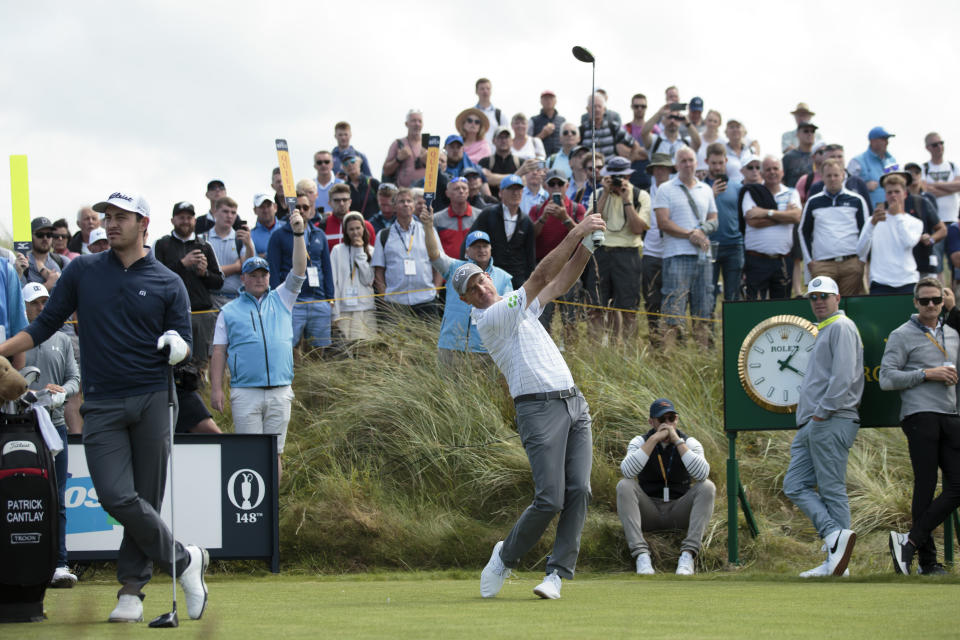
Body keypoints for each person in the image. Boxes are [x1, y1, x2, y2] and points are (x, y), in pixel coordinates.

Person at [0, 191, 208, 623]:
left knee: (146, 496)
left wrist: (177, 345)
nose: (111, 224)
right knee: (116, 495)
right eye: (107, 216)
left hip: (153, 398)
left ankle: (131, 591)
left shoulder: (169, 281)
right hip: (101, 401)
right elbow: (44, 324)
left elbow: (184, 341)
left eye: (121, 217)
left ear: (144, 223)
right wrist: (2, 350)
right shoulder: (82, 270)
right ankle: (185, 560)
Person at [469, 211, 607, 601]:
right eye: (472, 288)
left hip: (573, 403)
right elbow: (542, 276)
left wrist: (587, 247)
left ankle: (557, 575)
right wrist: (577, 231)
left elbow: (561, 282)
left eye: (481, 279)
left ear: (489, 279)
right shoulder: (491, 318)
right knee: (550, 498)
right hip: (537, 410)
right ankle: (505, 557)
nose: (480, 288)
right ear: (466, 301)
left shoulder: (521, 306)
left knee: (580, 489)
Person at [211, 211, 307, 482]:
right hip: (245, 392)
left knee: (275, 452)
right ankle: (253, 509)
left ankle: (273, 509)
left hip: (280, 389)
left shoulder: (282, 298)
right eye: (253, 275)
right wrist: (217, 389)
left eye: (263, 274)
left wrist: (298, 234)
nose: (259, 279)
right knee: (249, 455)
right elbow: (218, 352)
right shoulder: (229, 311)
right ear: (243, 279)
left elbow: (299, 269)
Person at [783, 275, 863, 577]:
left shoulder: (841, 327)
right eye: (813, 297)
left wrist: (821, 414)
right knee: (794, 484)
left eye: (824, 296)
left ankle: (838, 565)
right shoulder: (826, 330)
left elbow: (842, 378)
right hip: (815, 422)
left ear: (837, 298)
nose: (818, 301)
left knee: (831, 489)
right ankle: (833, 537)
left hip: (831, 418)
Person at [881, 277, 960, 576]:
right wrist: (927, 374)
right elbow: (887, 378)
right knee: (925, 486)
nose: (930, 306)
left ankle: (910, 541)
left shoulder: (952, 334)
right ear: (915, 303)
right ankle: (928, 562)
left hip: (951, 416)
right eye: (924, 300)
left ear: (943, 302)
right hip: (919, 415)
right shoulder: (901, 335)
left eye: (936, 301)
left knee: (957, 486)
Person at [21, 282, 80, 588]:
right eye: (34, 303)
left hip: (54, 425)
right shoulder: (16, 340)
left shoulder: (62, 340)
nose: (41, 308)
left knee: (57, 497)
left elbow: (74, 378)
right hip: (20, 426)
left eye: (45, 302)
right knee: (20, 495)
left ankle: (59, 564)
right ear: (25, 306)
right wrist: (25, 391)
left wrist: (63, 392)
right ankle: (20, 562)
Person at [616, 398, 714, 576]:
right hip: (650, 508)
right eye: (662, 420)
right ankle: (641, 555)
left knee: (707, 486)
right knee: (624, 485)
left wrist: (677, 441)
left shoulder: (689, 442)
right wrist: (653, 439)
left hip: (678, 508)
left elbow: (701, 474)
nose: (667, 425)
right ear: (651, 422)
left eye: (672, 419)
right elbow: (628, 472)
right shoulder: (640, 441)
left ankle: (688, 555)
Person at [653, 147, 718, 343]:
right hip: (676, 255)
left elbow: (714, 218)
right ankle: (670, 360)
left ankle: (702, 356)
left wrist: (702, 230)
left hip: (703, 257)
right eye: (683, 161)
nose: (688, 164)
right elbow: (663, 222)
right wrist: (691, 234)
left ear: (697, 163)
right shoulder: (665, 189)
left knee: (703, 311)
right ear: (676, 165)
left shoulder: (706, 189)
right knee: (673, 310)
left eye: (691, 160)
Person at [583, 156, 650, 342]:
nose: (618, 180)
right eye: (614, 176)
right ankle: (595, 354)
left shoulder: (640, 195)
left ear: (629, 175)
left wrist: (627, 199)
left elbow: (637, 229)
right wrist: (605, 193)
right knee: (596, 308)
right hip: (601, 253)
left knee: (628, 310)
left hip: (627, 254)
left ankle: (627, 355)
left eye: (621, 176)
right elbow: (588, 223)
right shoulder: (598, 194)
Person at [154, 201, 224, 371]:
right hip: (172, 314)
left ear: (194, 220)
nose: (185, 221)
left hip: (201, 314)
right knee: (173, 362)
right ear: (173, 220)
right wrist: (182, 264)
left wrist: (204, 273)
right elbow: (155, 280)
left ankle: (201, 396)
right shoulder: (162, 244)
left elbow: (219, 282)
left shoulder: (205, 246)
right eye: (181, 217)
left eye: (189, 217)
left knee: (200, 365)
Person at [268, 191, 334, 351]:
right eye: (297, 207)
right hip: (292, 301)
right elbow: (274, 270)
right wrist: (277, 301)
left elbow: (327, 268)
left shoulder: (319, 234)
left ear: (311, 209)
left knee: (319, 351)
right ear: (290, 209)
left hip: (318, 299)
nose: (302, 210)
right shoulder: (278, 235)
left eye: (306, 207)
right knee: (288, 348)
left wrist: (330, 299)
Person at [799, 159, 869, 296]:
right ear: (822, 177)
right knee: (824, 308)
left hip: (851, 264)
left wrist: (862, 260)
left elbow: (866, 232)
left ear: (843, 175)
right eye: (829, 175)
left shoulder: (857, 200)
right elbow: (803, 232)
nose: (832, 179)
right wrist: (809, 262)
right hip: (822, 265)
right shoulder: (813, 202)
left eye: (836, 175)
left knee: (851, 307)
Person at [371, 188, 441, 318]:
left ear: (414, 206)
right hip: (396, 302)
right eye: (401, 201)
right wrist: (384, 295)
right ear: (394, 207)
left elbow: (438, 264)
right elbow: (379, 271)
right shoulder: (383, 235)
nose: (406, 204)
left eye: (409, 201)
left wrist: (435, 291)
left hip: (426, 300)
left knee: (429, 339)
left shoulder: (428, 231)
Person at [739, 156, 802, 300]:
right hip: (757, 260)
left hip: (783, 261)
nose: (772, 172)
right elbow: (752, 221)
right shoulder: (751, 193)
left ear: (782, 172)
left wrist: (766, 213)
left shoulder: (792, 193)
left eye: (775, 168)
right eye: (768, 169)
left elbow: (796, 217)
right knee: (755, 305)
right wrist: (784, 216)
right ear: (761, 173)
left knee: (781, 307)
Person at [856, 173, 923, 294]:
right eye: (889, 192)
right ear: (885, 195)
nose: (893, 196)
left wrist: (897, 216)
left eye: (897, 192)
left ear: (905, 194)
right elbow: (860, 251)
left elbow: (908, 242)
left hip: (908, 281)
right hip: (880, 282)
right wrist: (872, 224)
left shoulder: (915, 222)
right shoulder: (873, 220)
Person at [466, 175, 537, 290]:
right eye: (511, 189)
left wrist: (529, 280)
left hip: (517, 278)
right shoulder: (488, 214)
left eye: (518, 189)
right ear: (501, 193)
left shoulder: (526, 221)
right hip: (490, 276)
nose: (515, 193)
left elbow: (530, 255)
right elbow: (470, 241)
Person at [704, 143, 744, 302]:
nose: (717, 167)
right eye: (713, 163)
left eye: (720, 162)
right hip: (709, 244)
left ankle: (734, 326)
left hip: (734, 245)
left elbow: (743, 217)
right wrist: (711, 194)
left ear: (726, 161)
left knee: (733, 295)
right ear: (707, 161)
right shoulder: (701, 188)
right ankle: (706, 326)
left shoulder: (737, 187)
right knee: (708, 293)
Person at [329, 212, 377, 341]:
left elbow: (368, 280)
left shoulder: (372, 250)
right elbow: (334, 283)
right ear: (346, 231)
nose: (355, 232)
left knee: (365, 351)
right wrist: (335, 313)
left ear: (363, 228)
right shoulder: (337, 250)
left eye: (358, 228)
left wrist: (360, 252)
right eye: (351, 229)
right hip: (344, 310)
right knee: (345, 351)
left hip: (366, 309)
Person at [207, 197, 255, 309]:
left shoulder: (241, 238)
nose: (229, 216)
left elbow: (248, 267)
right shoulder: (204, 238)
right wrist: (235, 267)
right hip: (211, 300)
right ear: (215, 212)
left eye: (233, 212)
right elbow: (206, 272)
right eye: (225, 211)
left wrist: (248, 245)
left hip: (236, 299)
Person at [848, 127, 898, 208]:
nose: (887, 142)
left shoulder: (892, 161)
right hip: (869, 213)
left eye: (887, 139)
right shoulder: (857, 161)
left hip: (891, 212)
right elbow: (848, 186)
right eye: (883, 139)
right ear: (872, 141)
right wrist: (864, 187)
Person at [322, 184, 377, 251]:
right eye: (337, 200)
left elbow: (373, 254)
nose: (341, 204)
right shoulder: (321, 227)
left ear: (350, 202)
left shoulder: (365, 226)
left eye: (344, 200)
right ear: (329, 203)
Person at [432, 177, 477, 258]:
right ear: (447, 193)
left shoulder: (479, 216)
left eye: (464, 188)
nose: (461, 191)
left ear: (468, 192)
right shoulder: (437, 219)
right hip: (447, 268)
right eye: (456, 189)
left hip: (474, 267)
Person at [382, 109, 426, 187]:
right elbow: (386, 170)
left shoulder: (428, 144)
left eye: (420, 121)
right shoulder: (398, 144)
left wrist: (430, 161)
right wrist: (398, 159)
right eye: (413, 121)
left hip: (425, 193)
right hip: (404, 193)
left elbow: (442, 168)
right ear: (406, 124)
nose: (417, 124)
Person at [22, 217, 66, 290]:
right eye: (40, 235)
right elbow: (20, 298)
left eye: (49, 235)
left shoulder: (62, 261)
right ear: (30, 236)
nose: (45, 238)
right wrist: (48, 285)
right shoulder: (23, 264)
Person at [343, 153, 380, 219]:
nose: (349, 165)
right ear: (343, 168)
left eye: (352, 161)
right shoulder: (344, 187)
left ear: (359, 164)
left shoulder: (372, 182)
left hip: (374, 224)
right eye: (346, 163)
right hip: (354, 226)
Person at [530, 90, 565, 157]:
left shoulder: (562, 121)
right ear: (541, 102)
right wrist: (542, 134)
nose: (548, 101)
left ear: (555, 101)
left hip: (560, 159)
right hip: (541, 159)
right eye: (545, 99)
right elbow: (528, 144)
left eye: (551, 98)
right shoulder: (533, 120)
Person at [782, 123, 818, 188]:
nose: (810, 134)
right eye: (806, 131)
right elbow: (782, 180)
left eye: (812, 131)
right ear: (797, 135)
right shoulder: (789, 157)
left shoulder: (818, 156)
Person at [474, 77, 508, 144]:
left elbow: (506, 136)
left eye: (488, 88)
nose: (485, 91)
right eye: (482, 89)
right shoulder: (471, 114)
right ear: (476, 91)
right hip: (476, 152)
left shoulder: (499, 115)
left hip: (494, 152)